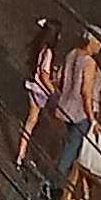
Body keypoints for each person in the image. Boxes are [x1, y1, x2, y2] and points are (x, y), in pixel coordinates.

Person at [44, 27, 101, 200]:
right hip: (81, 114)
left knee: (71, 149)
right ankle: (51, 187)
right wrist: (93, 119)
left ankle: (66, 191)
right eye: (99, 42)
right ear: (91, 41)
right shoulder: (89, 63)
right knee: (71, 153)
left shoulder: (72, 54)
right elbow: (86, 93)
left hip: (67, 109)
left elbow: (61, 78)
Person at [15, 16, 63, 168]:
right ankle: (41, 157)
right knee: (51, 124)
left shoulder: (40, 48)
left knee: (31, 121)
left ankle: (21, 154)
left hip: (33, 87)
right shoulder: (49, 53)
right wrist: (53, 91)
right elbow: (44, 74)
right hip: (42, 91)